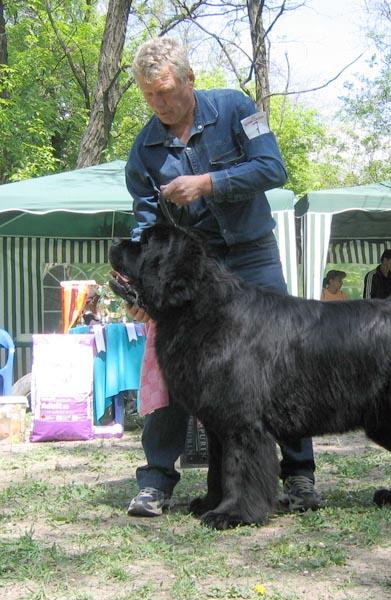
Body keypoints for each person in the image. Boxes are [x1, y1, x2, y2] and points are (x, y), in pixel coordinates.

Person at [124, 37, 322, 517]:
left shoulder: (236, 108)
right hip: (195, 273)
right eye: (149, 95)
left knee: (283, 362)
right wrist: (140, 285)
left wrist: (209, 182)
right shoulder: (144, 150)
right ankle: (156, 481)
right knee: (172, 364)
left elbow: (272, 167)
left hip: (253, 258)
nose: (159, 104)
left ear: (190, 80)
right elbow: (146, 224)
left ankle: (298, 476)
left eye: (166, 92)